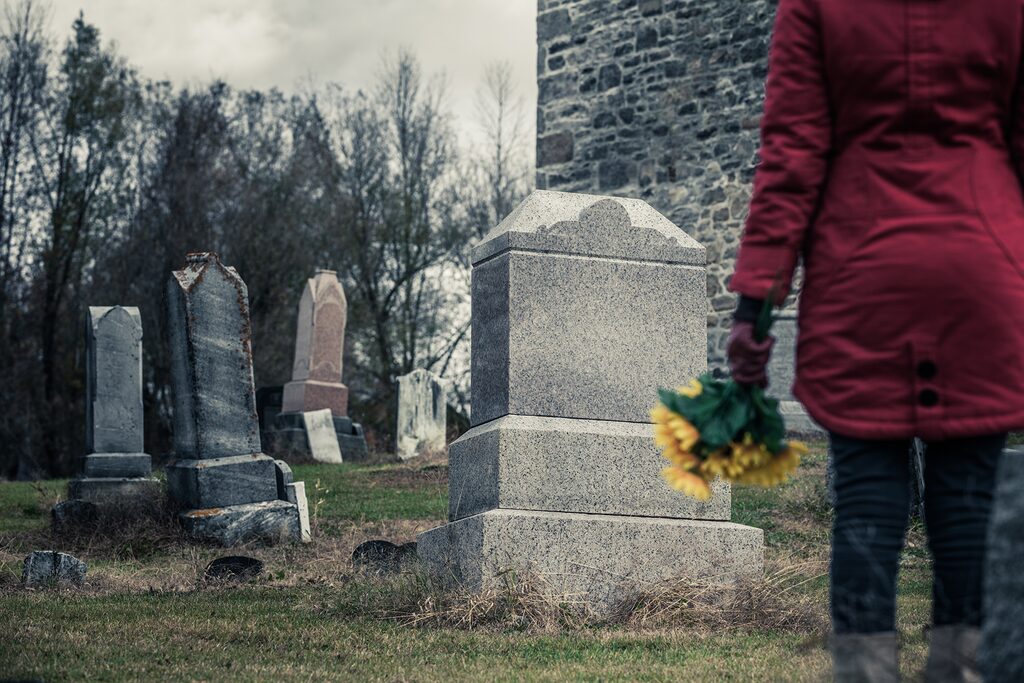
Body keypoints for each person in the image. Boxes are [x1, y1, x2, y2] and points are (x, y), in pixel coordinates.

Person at [726, 1, 1024, 681]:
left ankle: (864, 674)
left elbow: (790, 162)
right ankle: (962, 672)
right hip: (980, 268)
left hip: (862, 274)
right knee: (969, 502)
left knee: (866, 500)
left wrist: (753, 307)